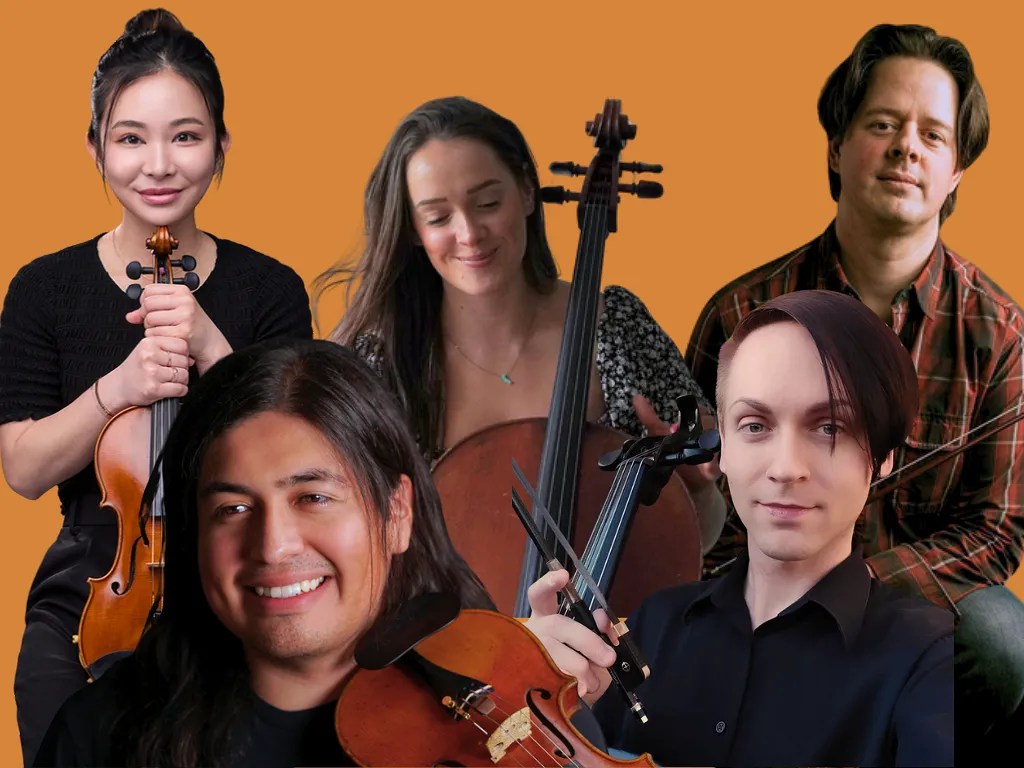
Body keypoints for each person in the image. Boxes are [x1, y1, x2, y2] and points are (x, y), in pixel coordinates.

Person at [686, 23, 1024, 757]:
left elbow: (997, 531)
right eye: (883, 124)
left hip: (910, 615)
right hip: (767, 605)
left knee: (1002, 638)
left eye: (933, 135)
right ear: (837, 147)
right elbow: (700, 515)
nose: (908, 147)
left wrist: (860, 585)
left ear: (957, 171)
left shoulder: (999, 334)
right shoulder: (741, 313)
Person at [0, 9, 312, 765]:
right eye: (131, 138)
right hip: (92, 585)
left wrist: (211, 345)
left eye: (186, 135)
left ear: (222, 144)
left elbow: (303, 455)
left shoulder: (270, 289)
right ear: (95, 148)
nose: (159, 163)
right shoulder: (46, 288)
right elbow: (22, 468)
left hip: (242, 576)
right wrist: (119, 387)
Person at [528, 290, 954, 767]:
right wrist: (541, 705)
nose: (786, 468)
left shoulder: (928, 657)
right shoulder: (651, 627)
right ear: (723, 447)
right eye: (755, 425)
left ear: (882, 457)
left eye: (829, 427)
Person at [33, 339, 493, 767]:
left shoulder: (511, 713)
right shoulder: (94, 736)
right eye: (232, 508)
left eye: (313, 498)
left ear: (397, 514)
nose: (273, 546)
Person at [313, 95, 725, 565]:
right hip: (449, 636)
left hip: (612, 631)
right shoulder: (379, 366)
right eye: (438, 217)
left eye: (487, 202)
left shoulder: (614, 325)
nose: (469, 233)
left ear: (527, 193)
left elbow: (701, 536)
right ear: (412, 229)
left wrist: (695, 488)